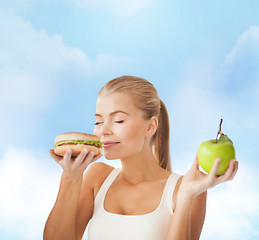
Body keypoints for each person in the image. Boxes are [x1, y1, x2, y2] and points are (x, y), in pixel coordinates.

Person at [43, 76, 238, 240]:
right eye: (98, 121)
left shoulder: (184, 189)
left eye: (118, 120)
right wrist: (70, 177)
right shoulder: (98, 177)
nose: (102, 131)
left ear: (150, 127)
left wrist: (187, 195)